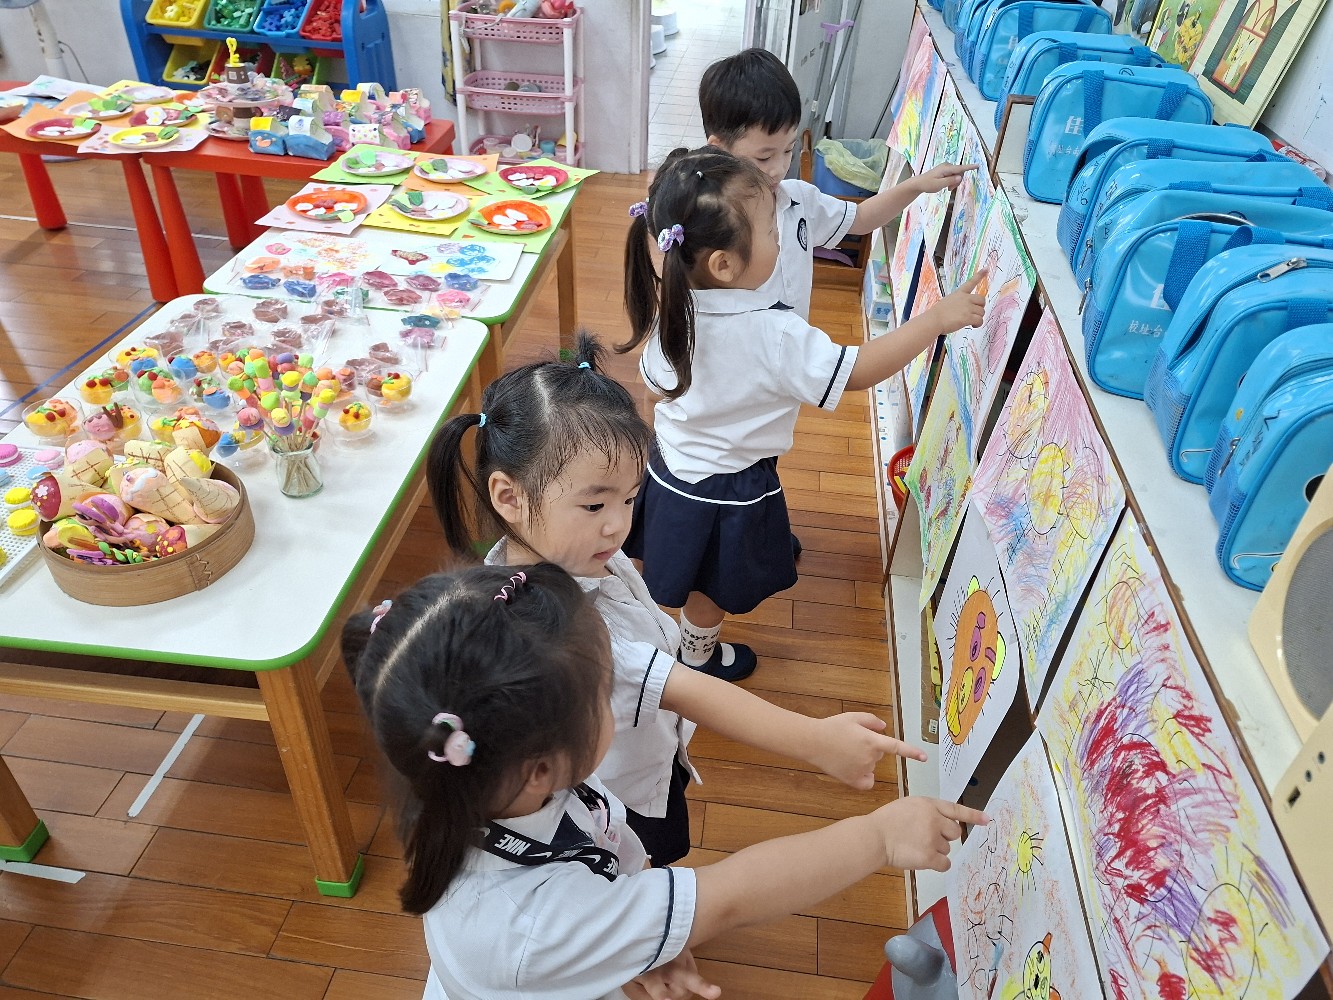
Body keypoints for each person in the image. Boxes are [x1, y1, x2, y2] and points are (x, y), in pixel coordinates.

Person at [342, 564, 987, 1000]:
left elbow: (606, 854)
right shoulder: (525, 923)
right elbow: (729, 896)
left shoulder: (483, 786)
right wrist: (879, 837)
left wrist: (639, 940)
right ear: (543, 766)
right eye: (605, 696)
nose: (616, 703)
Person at [426, 333, 927, 866]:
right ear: (509, 497)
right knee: (644, 865)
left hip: (639, 759)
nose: (619, 525)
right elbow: (690, 691)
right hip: (620, 797)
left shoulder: (564, 553)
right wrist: (816, 740)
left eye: (630, 498)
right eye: (595, 506)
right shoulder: (558, 630)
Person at [619, 147, 985, 680]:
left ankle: (638, 631)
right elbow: (855, 371)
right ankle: (695, 657)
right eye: (772, 233)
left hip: (669, 468)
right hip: (729, 487)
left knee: (666, 555)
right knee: (708, 585)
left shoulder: (675, 306)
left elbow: (653, 391)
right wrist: (936, 320)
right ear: (724, 264)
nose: (783, 240)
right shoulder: (775, 334)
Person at [698, 47, 976, 323]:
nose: (779, 169)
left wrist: (916, 185)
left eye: (788, 150)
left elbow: (862, 218)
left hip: (796, 346)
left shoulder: (798, 200)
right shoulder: (706, 227)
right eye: (764, 157)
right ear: (718, 150)